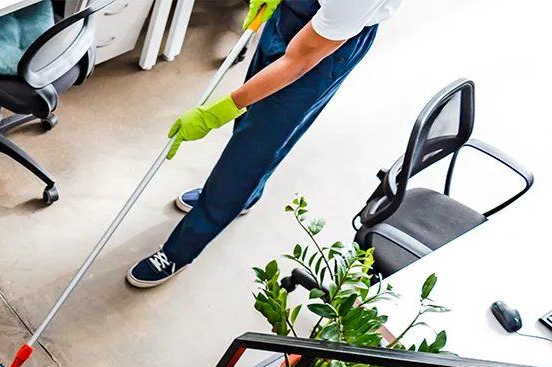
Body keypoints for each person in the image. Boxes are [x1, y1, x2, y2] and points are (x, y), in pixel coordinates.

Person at [126, 0, 397, 287]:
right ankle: (244, 196)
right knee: (251, 125)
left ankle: (179, 252)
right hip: (296, 14)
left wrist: (218, 112)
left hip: (325, 51)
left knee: (250, 154)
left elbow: (297, 62)